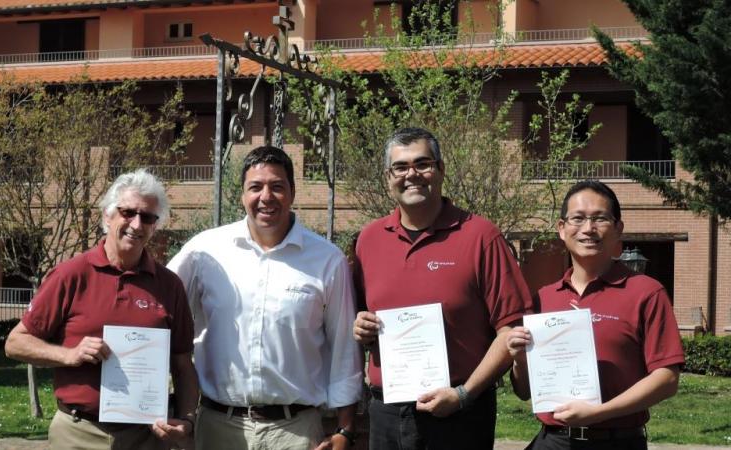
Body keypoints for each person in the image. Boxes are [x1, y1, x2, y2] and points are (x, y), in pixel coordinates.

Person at [167, 146, 362, 450]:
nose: (266, 197)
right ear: (242, 194)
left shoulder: (327, 259)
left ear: (293, 193)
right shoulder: (204, 250)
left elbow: (343, 349)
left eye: (277, 186)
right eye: (255, 187)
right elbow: (159, 305)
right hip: (218, 428)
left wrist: (345, 429)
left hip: (295, 432)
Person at [352, 127, 534, 450]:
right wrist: (361, 326)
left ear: (441, 170)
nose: (412, 175)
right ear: (387, 177)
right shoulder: (369, 240)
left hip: (460, 414)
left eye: (423, 164)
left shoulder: (481, 236)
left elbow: (511, 330)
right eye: (401, 167)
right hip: (388, 415)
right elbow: (358, 319)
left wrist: (463, 395)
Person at [5, 169, 197, 450]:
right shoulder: (71, 274)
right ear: (107, 216)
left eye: (147, 217)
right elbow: (15, 343)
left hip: (146, 437)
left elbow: (183, 365)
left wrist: (188, 420)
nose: (136, 223)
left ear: (155, 226)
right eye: (128, 212)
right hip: (77, 433)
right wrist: (69, 355)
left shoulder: (169, 285)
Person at [507, 180, 684, 450]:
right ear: (561, 229)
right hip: (552, 440)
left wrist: (597, 413)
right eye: (577, 218)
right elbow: (524, 392)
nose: (588, 229)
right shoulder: (543, 298)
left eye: (600, 218)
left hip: (617, 441)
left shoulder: (646, 292)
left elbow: (667, 379)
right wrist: (520, 360)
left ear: (618, 229)